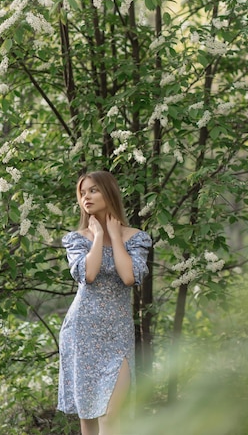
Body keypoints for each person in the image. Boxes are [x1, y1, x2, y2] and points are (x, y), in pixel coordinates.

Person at [57, 170, 152, 435]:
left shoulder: (136, 238)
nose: (86, 197)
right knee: (88, 417)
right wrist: (98, 237)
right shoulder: (77, 239)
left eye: (93, 190)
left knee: (111, 416)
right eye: (82, 192)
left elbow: (128, 276)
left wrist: (114, 233)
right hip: (82, 331)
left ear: (109, 193)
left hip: (117, 335)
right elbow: (87, 274)